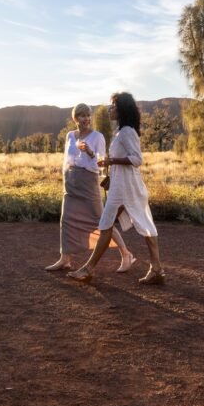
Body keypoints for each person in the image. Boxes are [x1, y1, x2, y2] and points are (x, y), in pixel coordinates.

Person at [68, 92, 165, 285]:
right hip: (123, 185)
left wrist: (112, 160)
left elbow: (137, 159)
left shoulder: (127, 131)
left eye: (113, 106)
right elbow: (124, 161)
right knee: (135, 224)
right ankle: (157, 269)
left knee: (109, 225)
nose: (110, 109)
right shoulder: (123, 131)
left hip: (126, 188)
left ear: (121, 109)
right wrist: (109, 168)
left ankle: (88, 269)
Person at [45, 103, 136, 273]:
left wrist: (90, 152)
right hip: (71, 181)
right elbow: (67, 158)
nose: (86, 118)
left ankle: (126, 253)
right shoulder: (70, 136)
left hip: (88, 181)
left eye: (88, 115)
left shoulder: (97, 137)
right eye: (82, 116)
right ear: (75, 119)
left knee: (101, 221)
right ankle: (65, 259)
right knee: (66, 220)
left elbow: (101, 164)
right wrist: (65, 175)